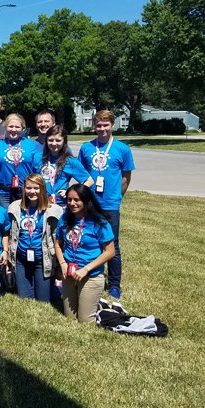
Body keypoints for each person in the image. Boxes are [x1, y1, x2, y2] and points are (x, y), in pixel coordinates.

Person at [78, 110, 135, 300]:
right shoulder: (86, 148)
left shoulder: (122, 149)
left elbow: (126, 176)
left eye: (105, 125)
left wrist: (117, 196)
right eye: (98, 125)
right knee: (90, 240)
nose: (102, 129)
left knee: (112, 244)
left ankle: (115, 284)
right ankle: (92, 275)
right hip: (90, 203)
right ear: (94, 126)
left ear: (112, 125)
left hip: (110, 204)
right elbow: (81, 175)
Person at [54, 184, 115, 323]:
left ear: (86, 201)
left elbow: (110, 252)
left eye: (77, 200)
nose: (72, 203)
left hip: (90, 275)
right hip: (69, 273)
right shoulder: (65, 218)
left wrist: (86, 269)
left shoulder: (99, 222)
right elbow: (57, 244)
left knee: (85, 322)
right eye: (69, 200)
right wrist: (62, 264)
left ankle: (102, 306)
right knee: (69, 318)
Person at [5, 174, 63, 302]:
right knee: (25, 300)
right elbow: (10, 234)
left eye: (36, 188)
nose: (32, 192)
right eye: (29, 188)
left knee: (43, 300)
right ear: (24, 189)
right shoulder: (14, 207)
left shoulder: (53, 210)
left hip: (42, 259)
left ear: (42, 189)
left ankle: (56, 290)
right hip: (21, 258)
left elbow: (58, 239)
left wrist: (59, 265)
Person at [0, 113, 40, 210]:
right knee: (5, 220)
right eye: (11, 126)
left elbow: (37, 169)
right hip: (3, 192)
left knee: (24, 219)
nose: (14, 129)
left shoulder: (30, 145)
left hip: (25, 190)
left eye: (17, 127)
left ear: (22, 128)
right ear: (5, 127)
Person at [36, 125, 92, 208]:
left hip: (62, 205)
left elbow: (89, 181)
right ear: (46, 141)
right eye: (50, 140)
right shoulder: (37, 158)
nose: (54, 143)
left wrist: (72, 192)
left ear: (64, 141)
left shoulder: (70, 161)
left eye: (58, 140)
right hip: (41, 203)